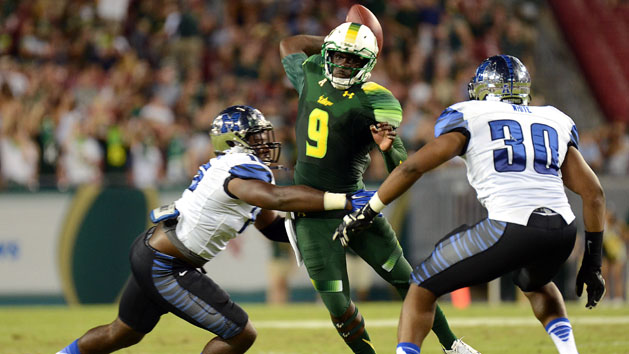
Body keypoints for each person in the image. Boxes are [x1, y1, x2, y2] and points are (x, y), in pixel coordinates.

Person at [334, 55, 607, 354]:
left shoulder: (471, 114)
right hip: (562, 230)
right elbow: (593, 193)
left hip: (511, 227)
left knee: (422, 285)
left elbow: (412, 168)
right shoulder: (554, 119)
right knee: (536, 283)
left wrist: (369, 210)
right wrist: (593, 263)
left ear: (485, 89)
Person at [57, 105, 375, 354]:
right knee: (240, 334)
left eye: (263, 134)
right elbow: (276, 198)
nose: (264, 142)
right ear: (234, 141)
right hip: (167, 265)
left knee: (123, 332)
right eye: (255, 135)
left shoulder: (241, 171)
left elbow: (273, 228)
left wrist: (327, 224)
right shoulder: (240, 170)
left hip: (154, 253)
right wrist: (345, 202)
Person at [280, 22, 478, 354]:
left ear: (369, 64)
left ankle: (452, 345)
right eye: (338, 56)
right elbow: (289, 43)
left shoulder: (375, 98)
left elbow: (403, 169)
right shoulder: (312, 70)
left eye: (353, 60)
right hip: (311, 209)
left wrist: (388, 147)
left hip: (355, 206)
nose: (343, 65)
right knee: (338, 307)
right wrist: (335, 39)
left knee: (411, 282)